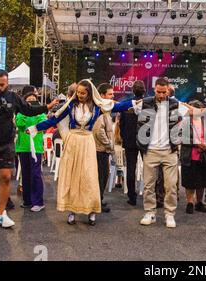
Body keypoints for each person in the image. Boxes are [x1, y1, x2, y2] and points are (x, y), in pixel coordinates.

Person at [27, 79, 133, 226]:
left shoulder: (97, 106)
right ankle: (72, 211)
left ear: (89, 93)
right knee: (73, 176)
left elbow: (119, 106)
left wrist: (138, 102)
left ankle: (91, 211)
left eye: (83, 93)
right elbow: (54, 120)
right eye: (78, 92)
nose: (80, 95)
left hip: (88, 143)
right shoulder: (71, 105)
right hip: (73, 143)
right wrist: (35, 128)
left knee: (89, 176)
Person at [0, 69, 59, 230]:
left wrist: (47, 107)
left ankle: (2, 214)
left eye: (2, 84)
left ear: (7, 83)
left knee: (6, 177)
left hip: (7, 144)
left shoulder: (13, 97)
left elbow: (29, 110)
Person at [134, 77, 182, 228]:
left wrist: (178, 140)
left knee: (171, 186)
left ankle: (169, 214)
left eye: (164, 92)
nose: (161, 95)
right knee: (148, 185)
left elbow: (187, 117)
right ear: (154, 89)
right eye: (159, 91)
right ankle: (150, 212)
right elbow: (136, 118)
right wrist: (141, 144)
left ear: (168, 90)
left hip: (170, 150)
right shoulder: (146, 102)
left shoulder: (175, 104)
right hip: (151, 150)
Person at [15, 86, 47, 212]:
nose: (31, 102)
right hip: (23, 147)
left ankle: (38, 201)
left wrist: (34, 113)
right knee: (26, 174)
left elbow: (41, 124)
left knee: (35, 174)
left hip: (36, 148)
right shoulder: (20, 113)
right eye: (29, 100)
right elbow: (20, 123)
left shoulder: (41, 113)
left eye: (34, 100)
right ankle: (27, 200)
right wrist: (26, 112)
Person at [180, 100, 206, 214]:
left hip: (203, 156)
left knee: (201, 181)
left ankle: (199, 202)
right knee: (189, 181)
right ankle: (190, 202)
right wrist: (197, 143)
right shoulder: (185, 122)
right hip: (189, 155)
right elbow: (182, 137)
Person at [120, 80, 145, 206]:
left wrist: (124, 137)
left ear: (133, 91)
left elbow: (121, 125)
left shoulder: (126, 105)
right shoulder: (148, 105)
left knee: (131, 168)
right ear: (144, 91)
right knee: (149, 169)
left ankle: (132, 196)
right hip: (145, 141)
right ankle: (150, 194)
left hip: (130, 141)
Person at [92, 83, 115, 213]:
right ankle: (97, 203)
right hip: (100, 150)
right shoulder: (101, 110)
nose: (113, 96)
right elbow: (98, 130)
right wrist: (109, 144)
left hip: (101, 149)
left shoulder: (104, 109)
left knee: (101, 177)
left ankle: (98, 200)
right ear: (102, 95)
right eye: (110, 94)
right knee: (101, 177)